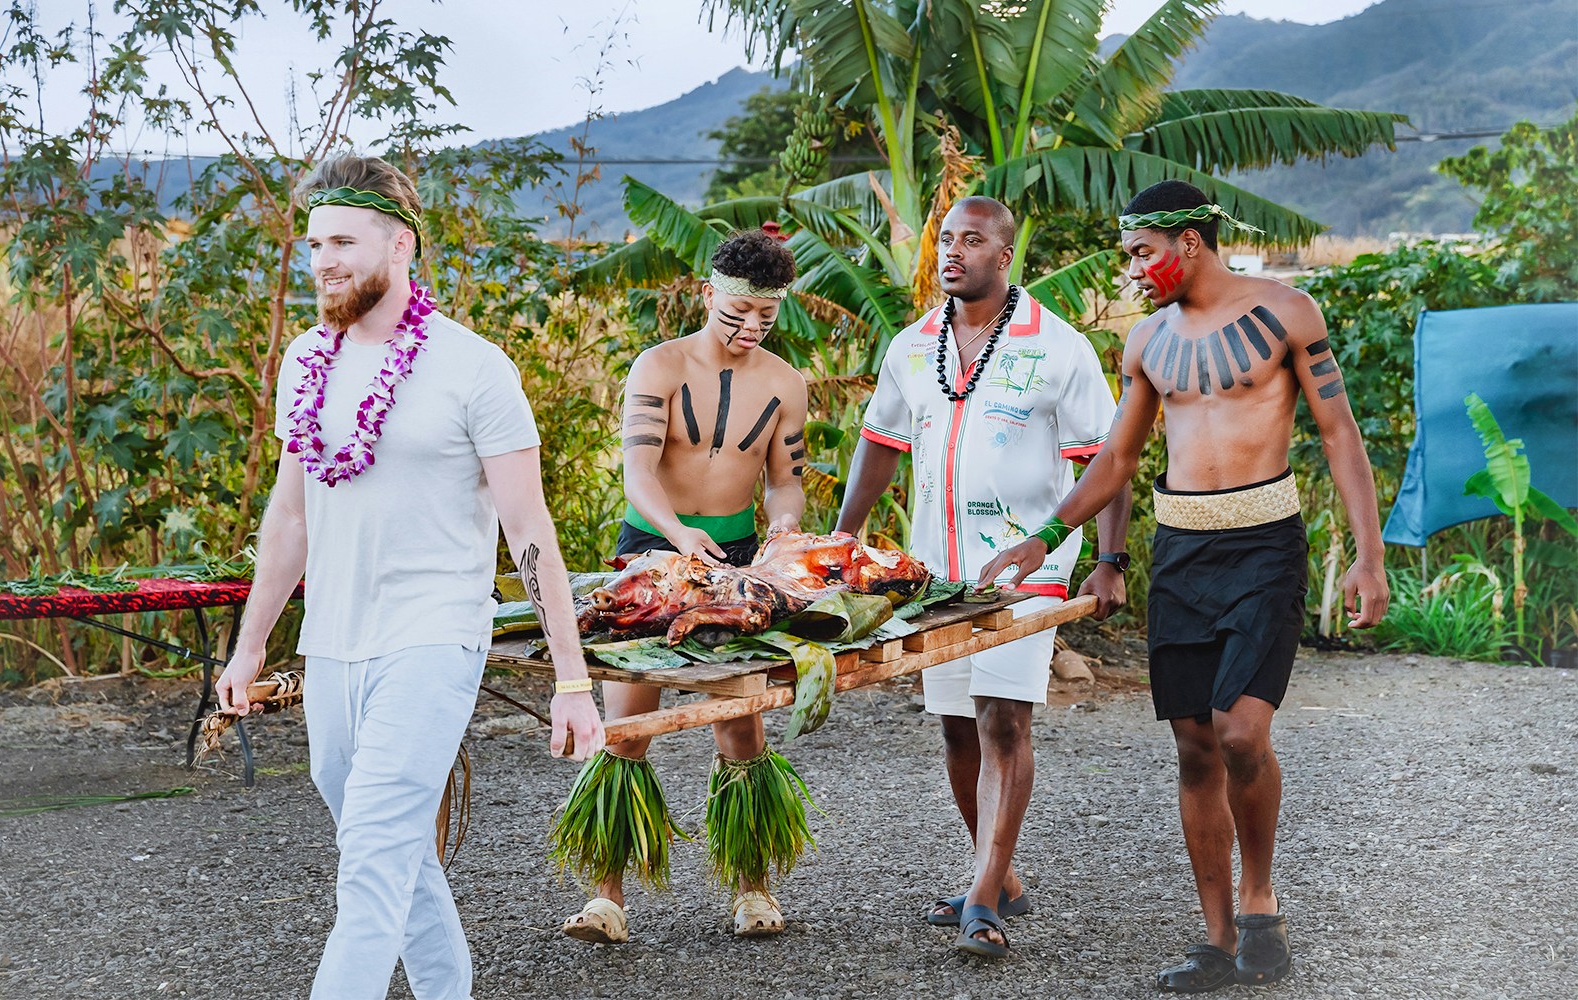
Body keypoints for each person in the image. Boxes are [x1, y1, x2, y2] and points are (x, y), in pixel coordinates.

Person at [977, 180, 1390, 991]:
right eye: (1128, 255)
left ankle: (1261, 902)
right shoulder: (1147, 342)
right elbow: (1119, 458)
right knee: (1196, 746)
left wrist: (1368, 557)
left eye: (1142, 253)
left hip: (1265, 547)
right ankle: (1219, 939)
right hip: (1181, 552)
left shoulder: (1287, 313)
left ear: (1189, 243)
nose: (1132, 270)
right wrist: (1047, 537)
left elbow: (1339, 434)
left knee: (1241, 734)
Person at [215, 154, 605, 1000]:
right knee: (392, 851)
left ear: (401, 246)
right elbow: (290, 518)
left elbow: (528, 529)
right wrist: (249, 648)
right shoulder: (304, 362)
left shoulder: (474, 368)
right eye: (314, 244)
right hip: (334, 643)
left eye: (342, 242)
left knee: (372, 861)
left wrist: (571, 679)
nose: (323, 262)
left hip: (433, 636)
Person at [835, 196, 1132, 959]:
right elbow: (880, 443)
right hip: (934, 578)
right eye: (946, 239)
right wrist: (843, 536)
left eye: (971, 241)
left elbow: (1107, 459)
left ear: (1004, 257)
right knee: (957, 726)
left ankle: (981, 898)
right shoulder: (913, 346)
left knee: (1003, 720)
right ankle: (998, 878)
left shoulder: (1058, 347)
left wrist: (1108, 560)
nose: (952, 252)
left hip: (1026, 570)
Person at [555, 229, 814, 944]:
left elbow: (785, 482)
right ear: (707, 294)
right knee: (627, 726)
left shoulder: (786, 383)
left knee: (741, 724)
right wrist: (676, 536)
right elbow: (638, 471)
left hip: (736, 560)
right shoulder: (659, 366)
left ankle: (753, 889)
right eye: (737, 312)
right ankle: (606, 899)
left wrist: (783, 527)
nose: (750, 328)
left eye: (765, 316)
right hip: (651, 554)